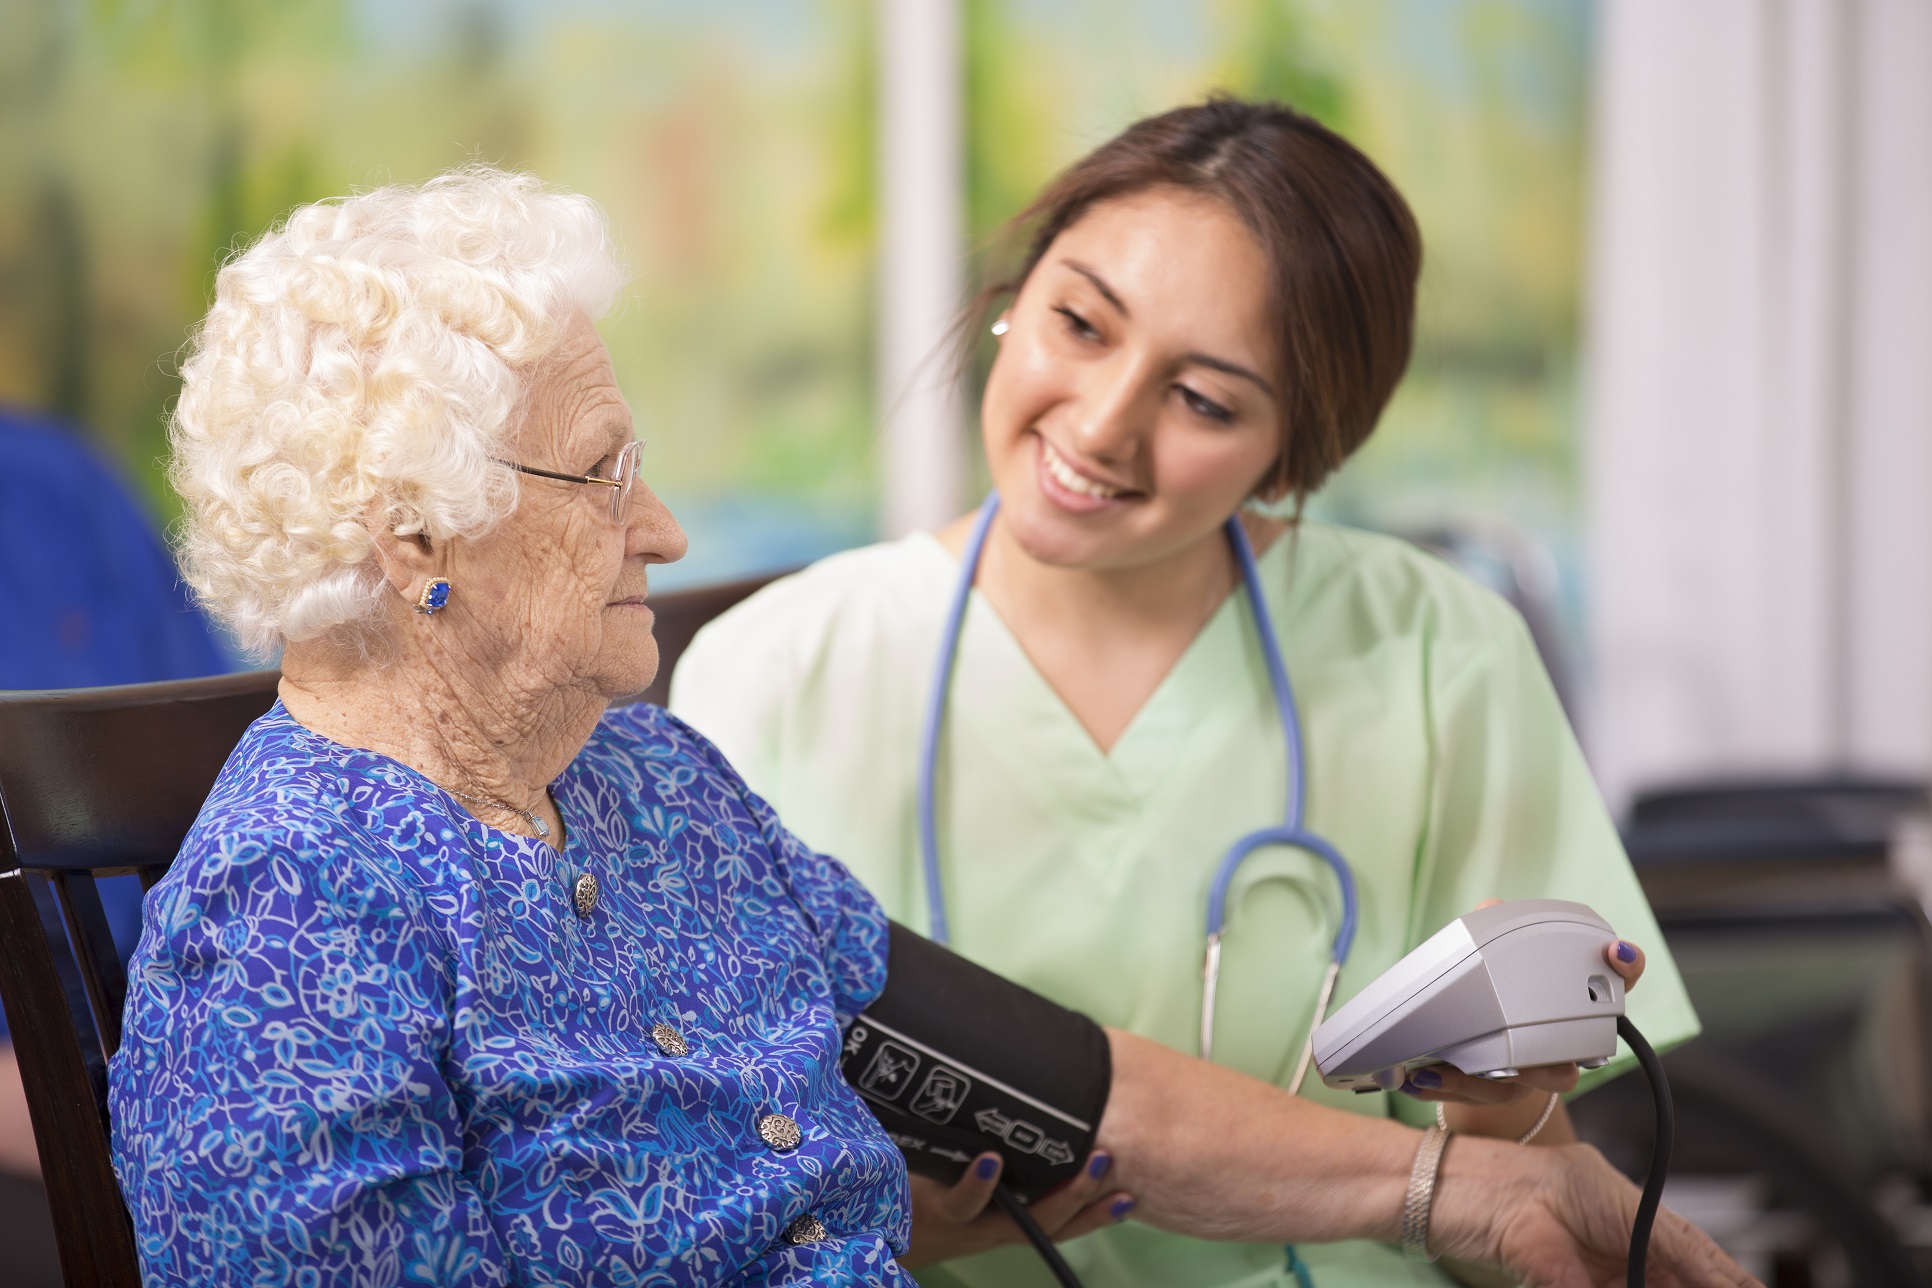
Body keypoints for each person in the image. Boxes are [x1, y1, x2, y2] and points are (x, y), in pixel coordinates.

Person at [109, 166, 1747, 1287]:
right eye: (602, 470)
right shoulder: (286, 940)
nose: (664, 528)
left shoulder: (641, 788)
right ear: (415, 539)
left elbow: (1079, 1090)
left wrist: (1476, 1183)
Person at [670, 98, 1703, 1286]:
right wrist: (871, 1212)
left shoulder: (1439, 653)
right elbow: (711, 1167)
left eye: (1204, 400)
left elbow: (1511, 1202)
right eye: (1079, 322)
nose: (1103, 427)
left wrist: (1507, 1111)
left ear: (1297, 446)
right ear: (1019, 291)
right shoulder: (772, 669)